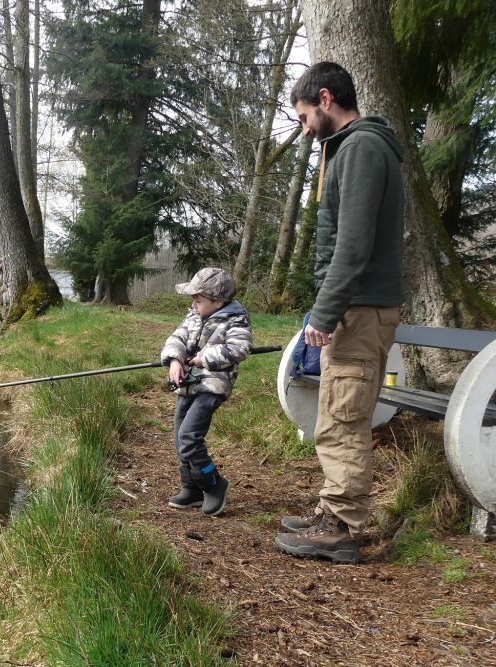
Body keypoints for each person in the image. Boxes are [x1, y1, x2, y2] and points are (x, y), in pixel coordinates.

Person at [273, 62, 405, 563]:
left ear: (325, 99)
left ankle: (343, 527)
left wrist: (324, 315)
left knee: (346, 417)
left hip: (360, 308)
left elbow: (352, 246)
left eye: (305, 116)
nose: (305, 129)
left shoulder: (364, 148)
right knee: (334, 411)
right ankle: (333, 508)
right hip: (353, 307)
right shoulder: (350, 149)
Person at [161, 267, 253, 517]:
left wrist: (206, 358)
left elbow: (241, 348)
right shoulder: (194, 315)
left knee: (190, 436)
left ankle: (213, 484)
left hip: (213, 384)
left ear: (218, 301)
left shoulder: (235, 319)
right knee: (180, 437)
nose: (194, 304)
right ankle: (190, 488)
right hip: (189, 384)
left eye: (199, 299)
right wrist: (175, 361)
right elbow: (177, 337)